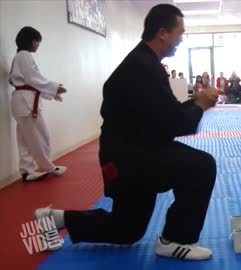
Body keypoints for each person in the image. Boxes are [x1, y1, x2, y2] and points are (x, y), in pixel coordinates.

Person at [33, 4, 220, 260]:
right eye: (180, 32)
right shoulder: (143, 68)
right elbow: (175, 124)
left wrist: (197, 102)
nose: (181, 39)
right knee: (202, 165)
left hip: (133, 153)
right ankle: (176, 239)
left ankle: (54, 219)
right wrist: (200, 104)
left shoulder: (145, 63)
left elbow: (166, 115)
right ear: (163, 32)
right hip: (129, 160)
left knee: (126, 230)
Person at [9, 26, 67, 182]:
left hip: (21, 102)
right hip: (26, 103)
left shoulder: (19, 56)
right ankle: (48, 167)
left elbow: (31, 81)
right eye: (37, 42)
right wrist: (55, 87)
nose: (38, 45)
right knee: (42, 137)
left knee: (25, 140)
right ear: (29, 40)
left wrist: (52, 93)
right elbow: (33, 78)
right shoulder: (24, 55)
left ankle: (27, 171)